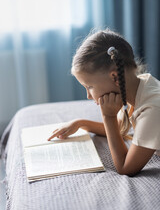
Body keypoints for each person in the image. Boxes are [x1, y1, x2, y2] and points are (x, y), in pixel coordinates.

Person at [48, 28, 160, 176]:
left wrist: (109, 117)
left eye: (89, 87)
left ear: (114, 77)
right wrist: (80, 123)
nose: (88, 95)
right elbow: (120, 127)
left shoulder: (152, 110)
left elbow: (125, 167)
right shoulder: (140, 85)